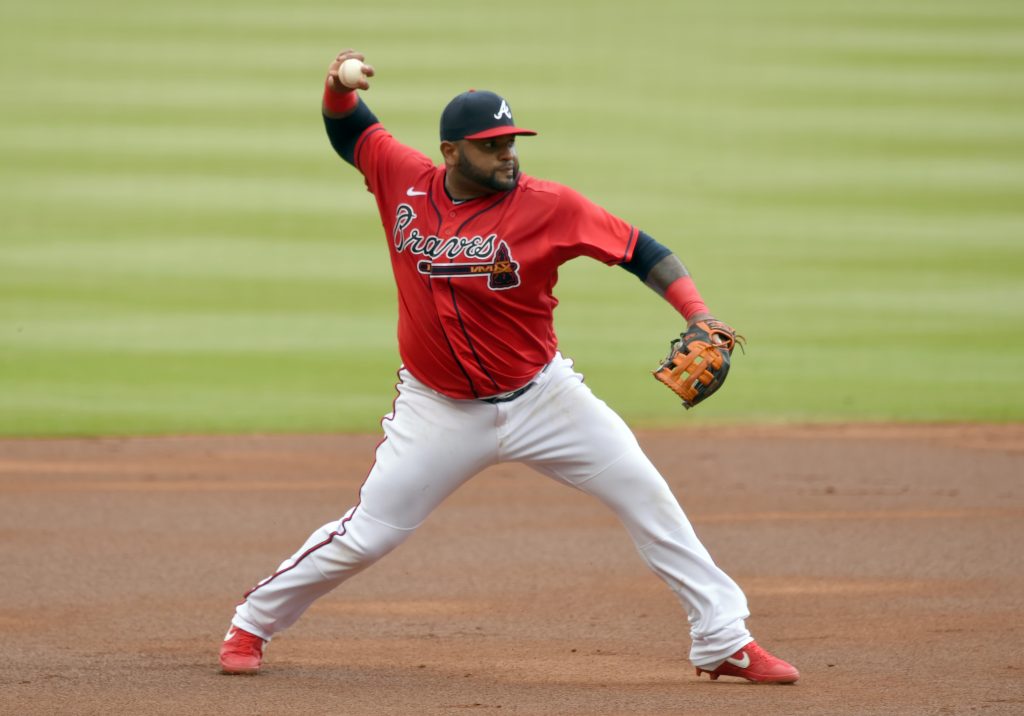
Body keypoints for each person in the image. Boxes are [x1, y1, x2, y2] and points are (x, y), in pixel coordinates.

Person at [218, 48, 799, 684]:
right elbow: (349, 127)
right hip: (437, 410)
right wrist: (336, 83)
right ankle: (252, 621)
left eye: (511, 141)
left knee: (648, 498)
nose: (508, 155)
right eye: (492, 145)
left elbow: (642, 249)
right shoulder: (401, 176)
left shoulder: (551, 204)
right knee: (367, 535)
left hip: (544, 399)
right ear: (450, 153)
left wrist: (698, 313)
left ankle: (723, 639)